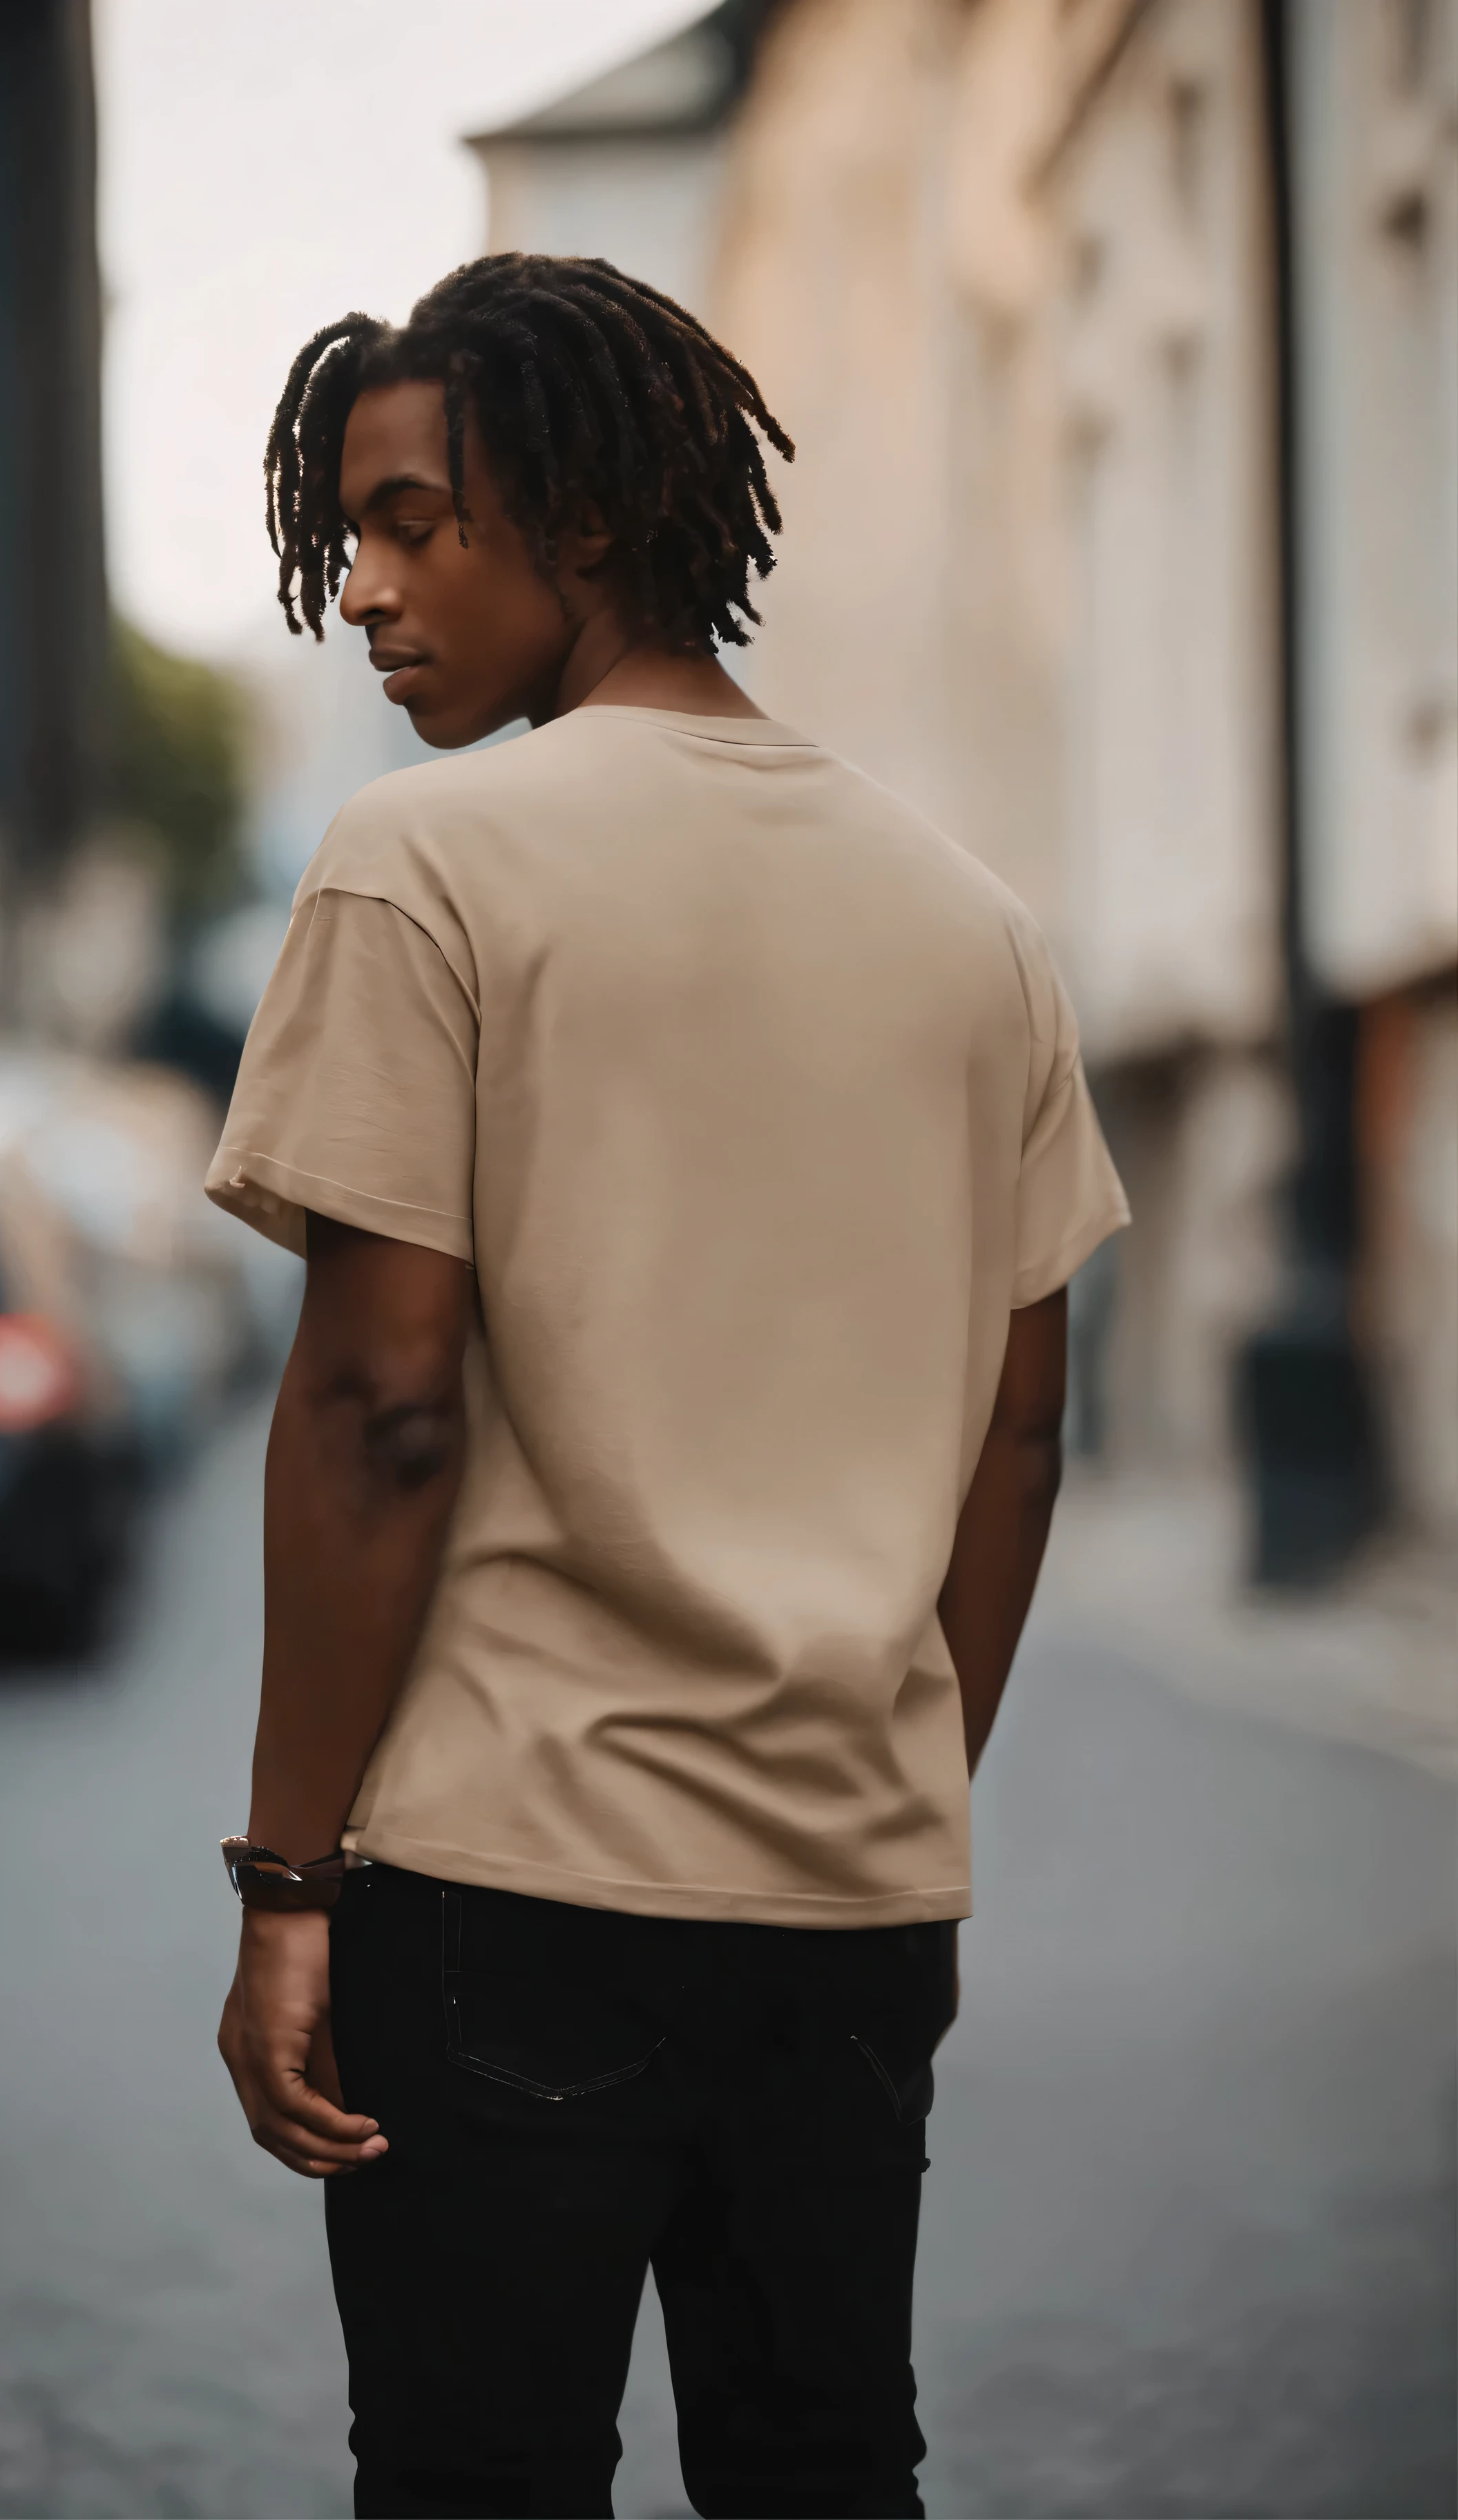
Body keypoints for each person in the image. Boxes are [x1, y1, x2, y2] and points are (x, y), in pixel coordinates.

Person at [207, 254, 1129, 2520]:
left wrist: (284, 1880)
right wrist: (879, 1772)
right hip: (845, 1898)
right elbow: (1023, 1429)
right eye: (349, 534)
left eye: (418, 520)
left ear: (591, 519)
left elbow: (375, 1411)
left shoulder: (423, 867)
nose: (364, 588)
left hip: (500, 1885)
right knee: (825, 2472)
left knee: (477, 2479)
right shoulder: (971, 922)